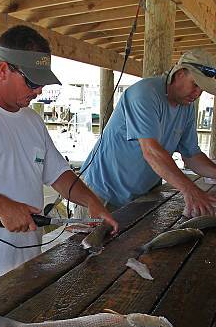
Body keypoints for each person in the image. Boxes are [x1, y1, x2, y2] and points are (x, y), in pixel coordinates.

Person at [0, 25, 118, 298]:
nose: (38, 91)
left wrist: (93, 202)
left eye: (42, 83)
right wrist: (3, 207)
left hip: (29, 257)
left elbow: (59, 174)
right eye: (31, 81)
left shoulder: (32, 120)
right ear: (3, 70)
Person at [80, 48, 216, 218]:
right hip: (101, 193)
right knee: (88, 244)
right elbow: (151, 152)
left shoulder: (186, 108)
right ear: (180, 73)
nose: (197, 93)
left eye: (202, 89)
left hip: (139, 196)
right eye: (195, 84)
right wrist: (190, 190)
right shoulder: (144, 94)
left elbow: (192, 155)